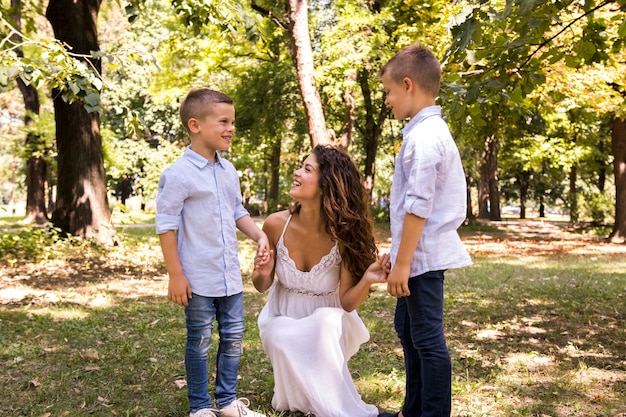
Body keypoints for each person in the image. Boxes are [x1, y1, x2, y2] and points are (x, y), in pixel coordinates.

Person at [252, 145, 390, 417]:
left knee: (326, 320)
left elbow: (347, 303)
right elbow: (260, 285)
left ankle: (335, 408)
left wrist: (368, 280)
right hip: (283, 318)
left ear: (329, 184)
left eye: (307, 169)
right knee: (280, 332)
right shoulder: (275, 224)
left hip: (330, 327)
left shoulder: (344, 235)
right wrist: (264, 270)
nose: (296, 172)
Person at [156, 88, 269, 417]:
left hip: (229, 276)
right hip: (197, 276)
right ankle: (200, 407)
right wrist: (175, 275)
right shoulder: (178, 174)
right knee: (200, 339)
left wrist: (260, 236)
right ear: (195, 125)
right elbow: (166, 226)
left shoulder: (228, 170)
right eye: (223, 121)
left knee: (234, 337)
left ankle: (227, 401)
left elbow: (237, 212)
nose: (231, 128)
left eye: (232, 121)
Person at [377, 44, 472, 417]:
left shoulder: (424, 137)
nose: (386, 101)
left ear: (408, 84)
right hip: (414, 254)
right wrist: (398, 254)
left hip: (424, 257)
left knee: (428, 340)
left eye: (388, 92)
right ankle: (411, 409)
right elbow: (409, 209)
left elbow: (418, 207)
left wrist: (403, 265)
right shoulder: (422, 132)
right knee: (408, 330)